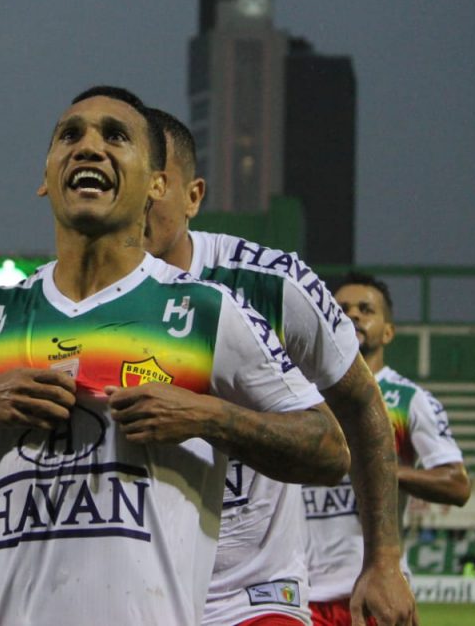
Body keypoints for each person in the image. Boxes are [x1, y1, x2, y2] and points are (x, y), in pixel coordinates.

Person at [0, 86, 349, 625]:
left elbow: (328, 449)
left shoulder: (205, 311)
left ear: (156, 185)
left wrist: (204, 416)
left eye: (115, 136)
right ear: (46, 178)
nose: (88, 146)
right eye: (70, 135)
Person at [143, 108, 417, 626]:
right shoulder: (77, 305)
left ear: (193, 196)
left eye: (159, 182)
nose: (143, 197)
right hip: (132, 589)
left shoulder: (272, 281)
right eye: (133, 178)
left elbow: (360, 404)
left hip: (251, 594)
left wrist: (383, 561)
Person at [304, 273, 471, 625]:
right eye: (341, 309)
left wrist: (373, 467)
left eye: (366, 310)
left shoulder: (407, 399)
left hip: (373, 590)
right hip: (299, 592)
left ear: (388, 332)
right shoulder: (299, 395)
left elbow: (456, 483)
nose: (352, 316)